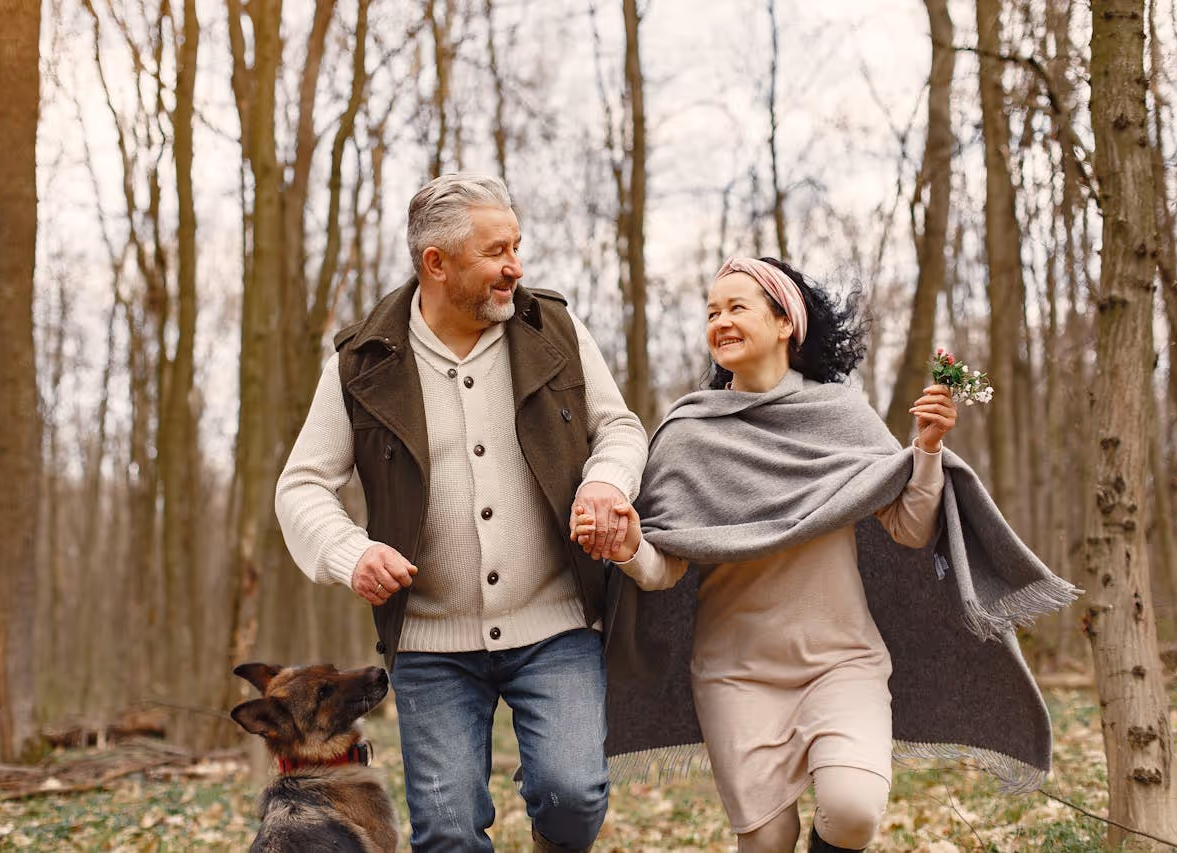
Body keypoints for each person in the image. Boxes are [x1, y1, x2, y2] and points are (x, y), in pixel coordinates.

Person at [575, 257, 1076, 853]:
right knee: (767, 842)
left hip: (843, 663)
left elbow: (910, 530)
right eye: (711, 312)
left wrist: (926, 451)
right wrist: (631, 547)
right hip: (736, 675)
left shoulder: (841, 415)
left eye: (737, 307)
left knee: (852, 811)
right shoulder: (689, 434)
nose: (720, 322)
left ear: (785, 322)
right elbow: (665, 570)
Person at [276, 173, 648, 852]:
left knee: (571, 795)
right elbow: (301, 486)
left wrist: (605, 483)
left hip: (556, 619)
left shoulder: (554, 330)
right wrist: (352, 553)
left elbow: (619, 428)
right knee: (447, 832)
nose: (515, 266)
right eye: (495, 251)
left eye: (516, 246)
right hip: (430, 640)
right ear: (437, 263)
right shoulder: (362, 363)